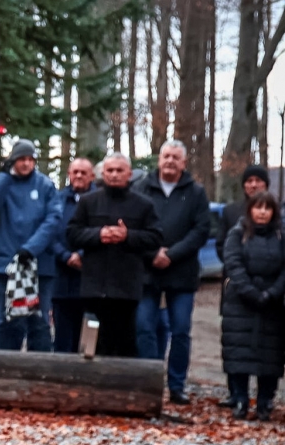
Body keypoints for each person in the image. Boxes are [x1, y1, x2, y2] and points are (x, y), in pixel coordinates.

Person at [132, 140, 210, 404]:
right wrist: (152, 253)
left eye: (176, 157)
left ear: (184, 163)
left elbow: (201, 230)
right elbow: (133, 228)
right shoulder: (141, 188)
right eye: (166, 156)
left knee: (180, 330)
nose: (170, 161)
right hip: (146, 271)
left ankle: (177, 385)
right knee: (144, 327)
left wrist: (172, 254)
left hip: (181, 273)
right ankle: (148, 382)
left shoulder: (196, 193)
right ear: (159, 159)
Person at [66, 155, 161, 357]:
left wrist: (128, 236)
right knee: (92, 345)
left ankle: (124, 386)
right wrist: (98, 235)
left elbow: (155, 238)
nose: (114, 175)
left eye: (119, 170)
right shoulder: (88, 202)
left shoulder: (144, 204)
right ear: (102, 173)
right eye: (110, 170)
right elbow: (72, 234)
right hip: (94, 287)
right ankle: (92, 385)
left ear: (129, 173)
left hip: (127, 288)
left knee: (125, 344)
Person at [0, 139, 62, 352]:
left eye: (31, 159)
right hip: (4, 264)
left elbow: (53, 220)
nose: (26, 164)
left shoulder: (45, 185)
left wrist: (31, 248)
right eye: (21, 159)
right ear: (13, 160)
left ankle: (39, 372)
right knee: (3, 321)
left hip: (39, 263)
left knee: (39, 322)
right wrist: (5, 179)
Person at [221, 190, 284, 421]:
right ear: (250, 210)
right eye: (258, 207)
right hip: (241, 303)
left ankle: (265, 401)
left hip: (272, 303)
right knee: (239, 354)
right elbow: (233, 265)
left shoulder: (281, 235)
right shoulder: (237, 234)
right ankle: (240, 398)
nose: (262, 212)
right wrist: (251, 292)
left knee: (271, 357)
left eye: (267, 208)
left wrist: (273, 292)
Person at [50, 158, 95, 353]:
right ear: (69, 174)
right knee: (62, 332)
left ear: (91, 176)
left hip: (90, 276)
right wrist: (66, 256)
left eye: (83, 173)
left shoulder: (98, 200)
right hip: (61, 276)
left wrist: (82, 255)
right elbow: (49, 232)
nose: (78, 176)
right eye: (75, 172)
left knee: (89, 333)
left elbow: (100, 232)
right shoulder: (57, 200)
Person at [218, 166, 270, 261]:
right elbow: (221, 246)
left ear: (266, 184)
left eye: (258, 180)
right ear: (244, 186)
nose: (254, 185)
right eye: (249, 181)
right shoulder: (230, 211)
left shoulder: (278, 211)